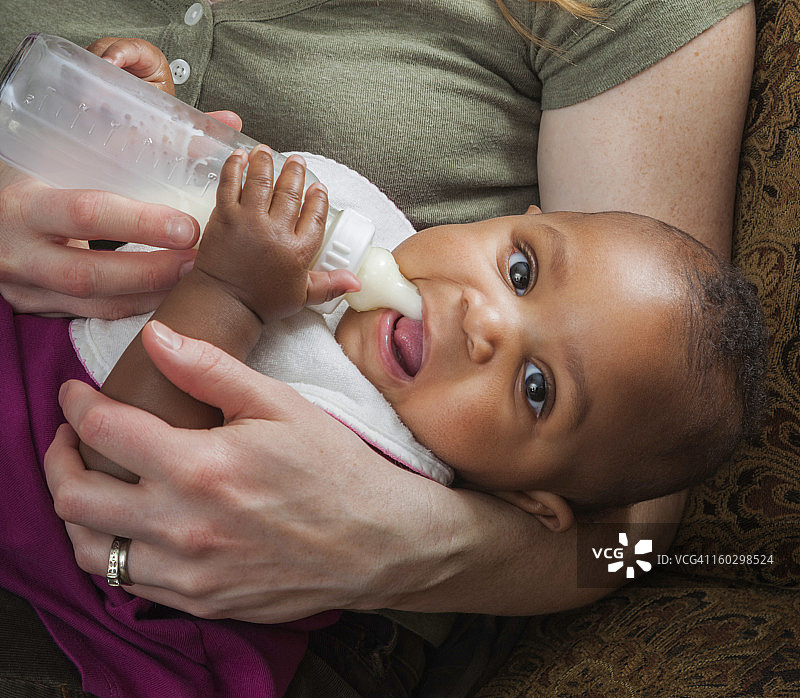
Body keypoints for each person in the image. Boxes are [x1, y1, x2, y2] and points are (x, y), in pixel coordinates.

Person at [0, 1, 756, 696]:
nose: (485, 321)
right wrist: (156, 137)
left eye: (537, 388)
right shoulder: (371, 239)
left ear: (530, 500)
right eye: (519, 270)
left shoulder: (369, 457)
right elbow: (198, 212)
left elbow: (118, 466)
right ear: (519, 219)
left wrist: (232, 295)